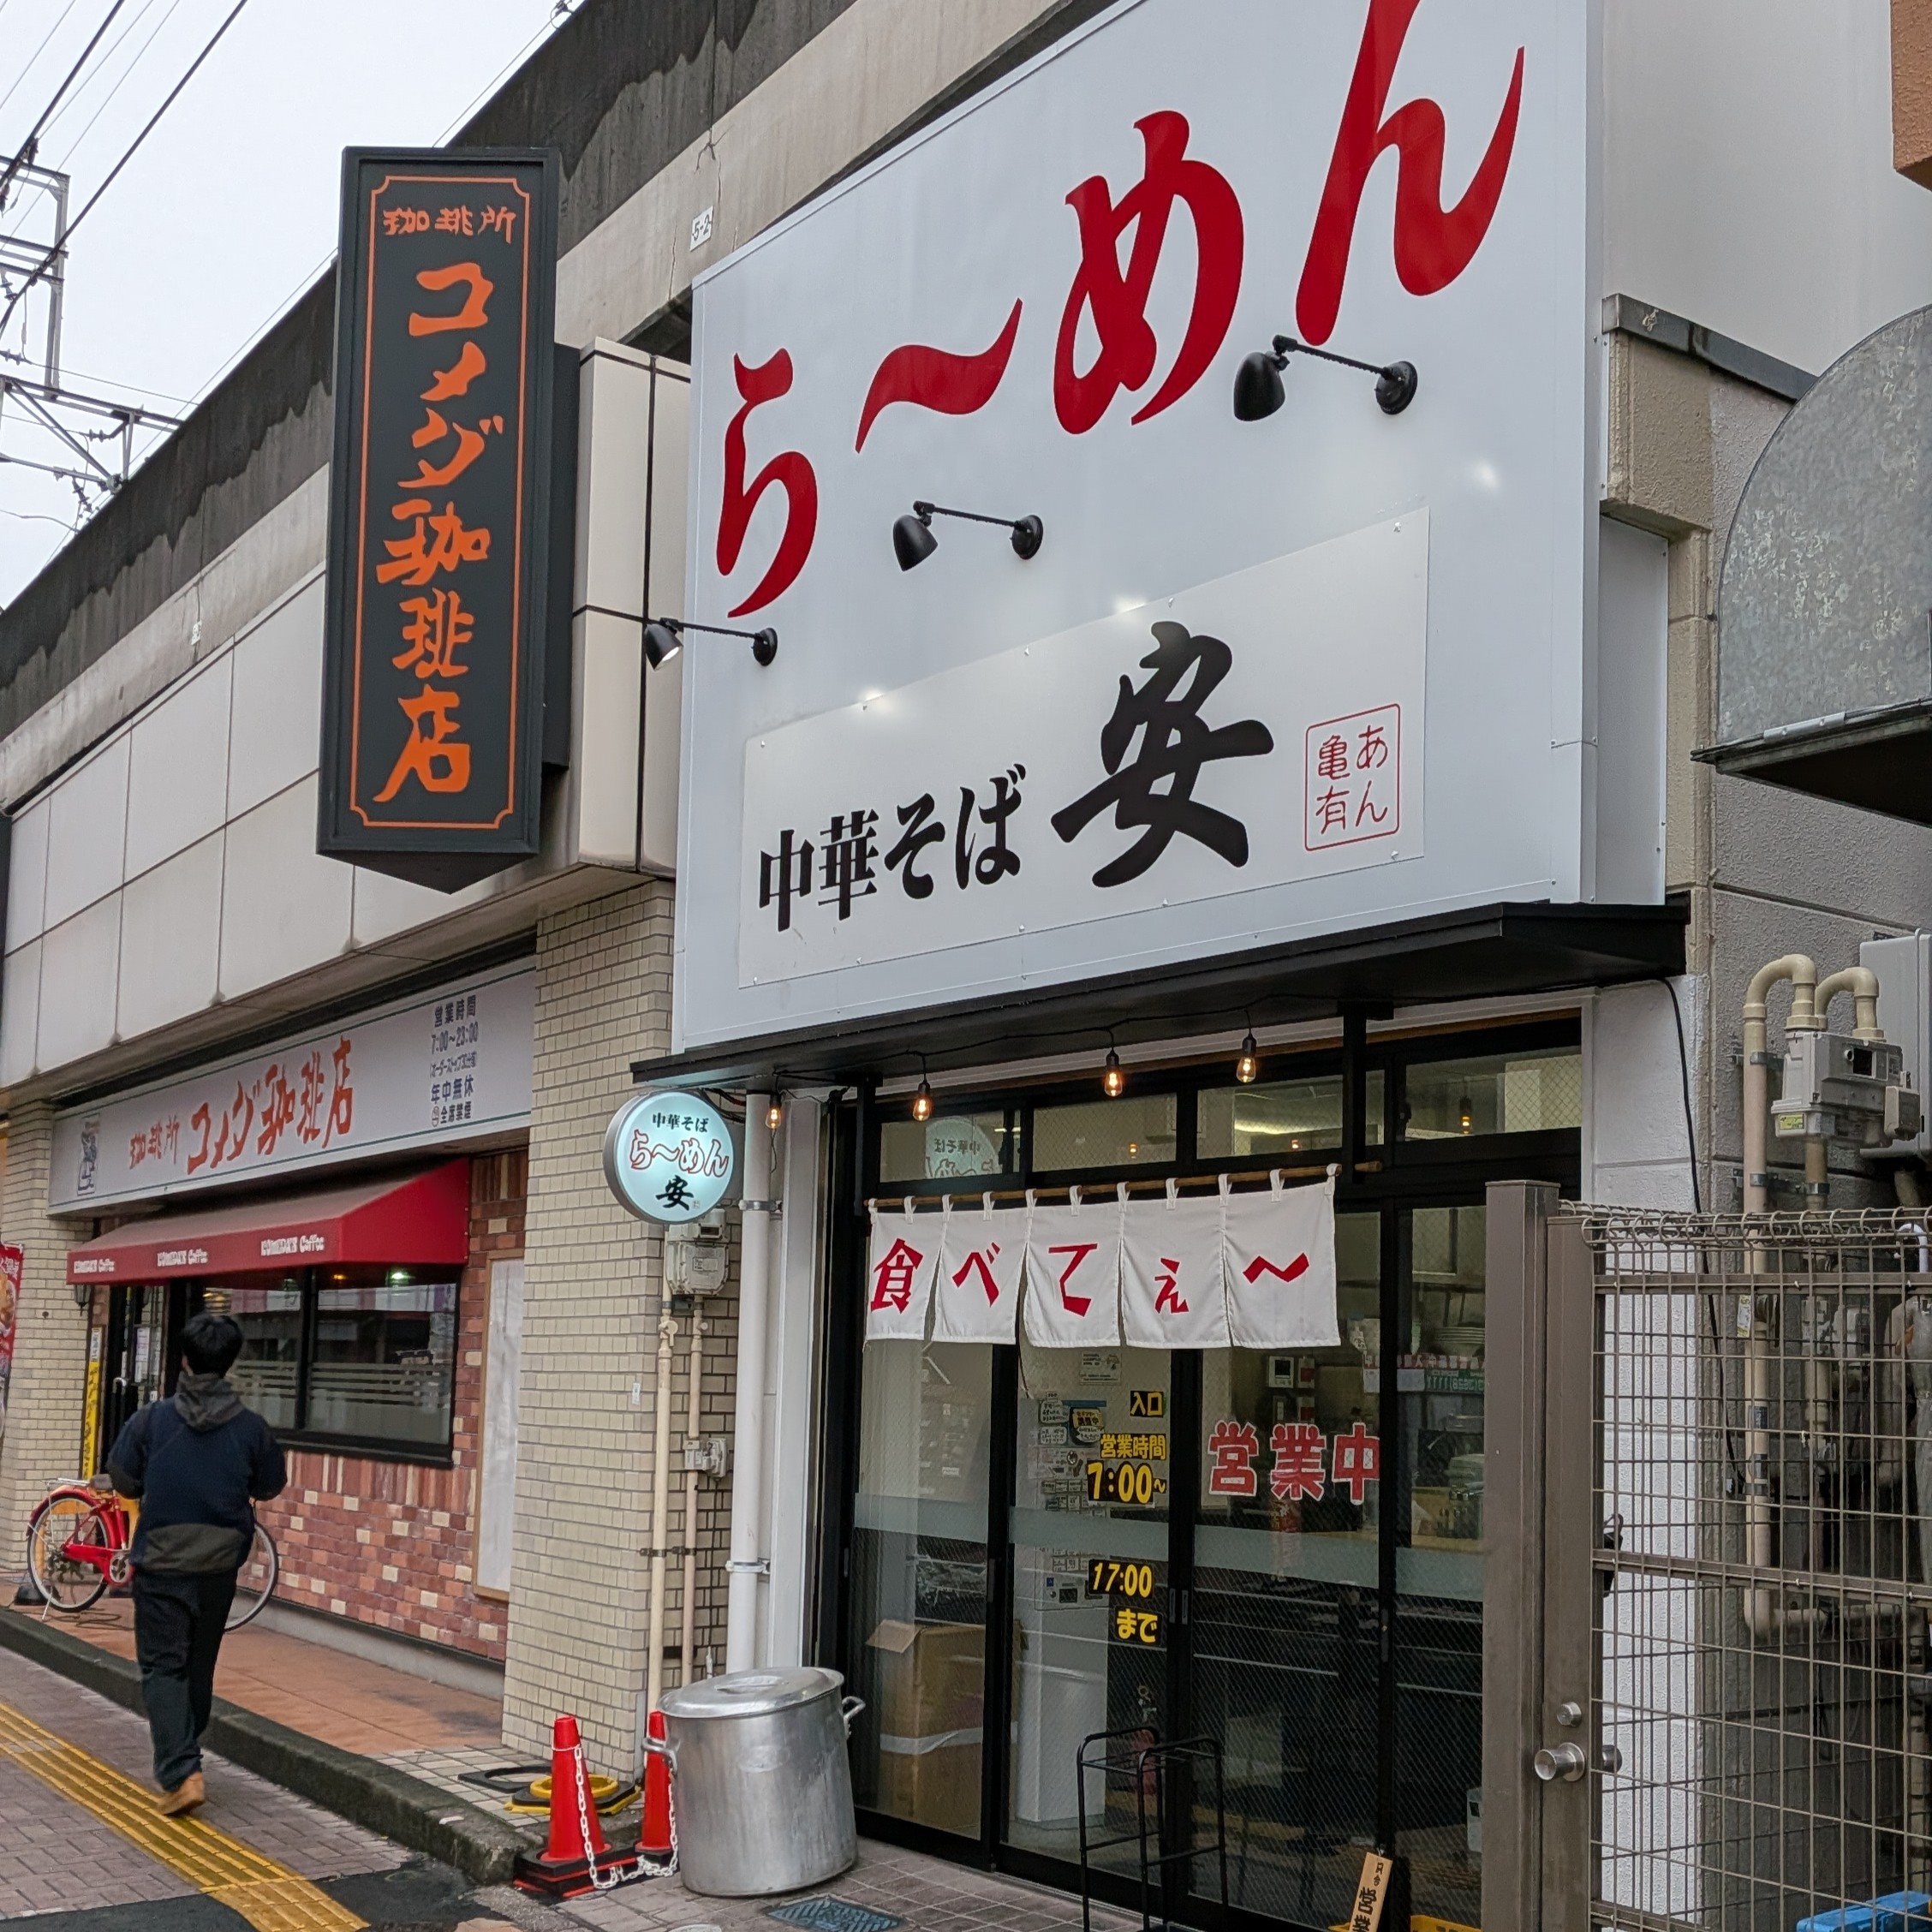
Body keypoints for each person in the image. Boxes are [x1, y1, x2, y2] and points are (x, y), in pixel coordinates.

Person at [107, 1311, 285, 1815]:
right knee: (198, 1663)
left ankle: (183, 1770)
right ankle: (186, 1750)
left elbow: (122, 1479)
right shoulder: (252, 1428)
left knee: (164, 1667)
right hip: (219, 1564)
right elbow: (269, 1485)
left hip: (162, 1560)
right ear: (229, 1363)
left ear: (184, 1359)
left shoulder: (151, 1420)